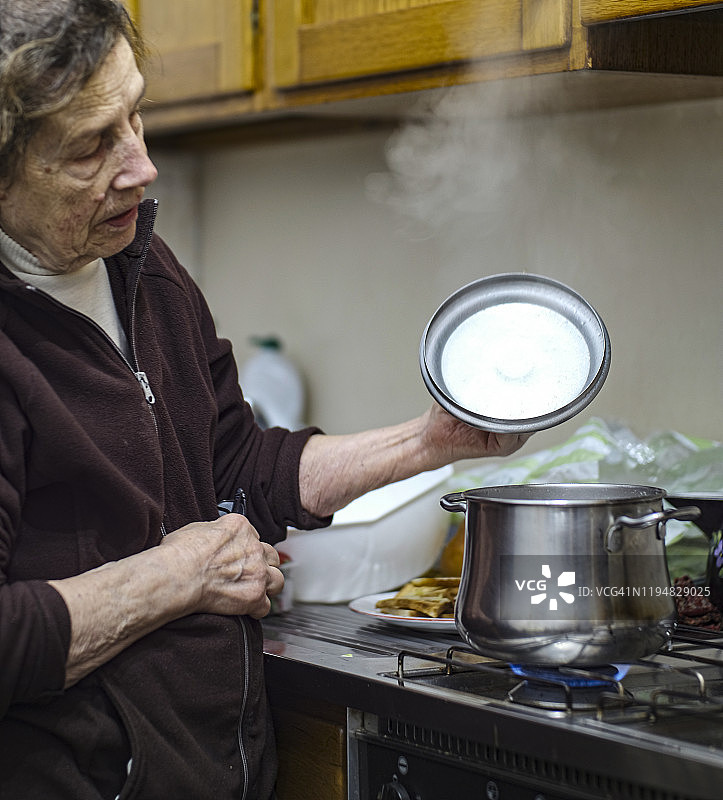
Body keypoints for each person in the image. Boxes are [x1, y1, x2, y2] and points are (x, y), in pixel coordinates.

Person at [0, 2, 529, 798]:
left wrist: (433, 440)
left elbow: (233, 465)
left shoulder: (145, 267)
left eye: (135, 113)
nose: (141, 167)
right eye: (89, 147)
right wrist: (179, 575)